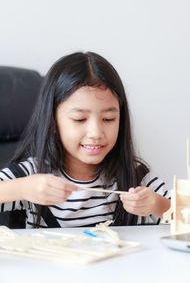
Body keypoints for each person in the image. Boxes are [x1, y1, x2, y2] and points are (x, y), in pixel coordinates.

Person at [0, 52, 170, 228]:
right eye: (80, 119)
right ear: (52, 122)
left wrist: (159, 205)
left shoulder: (136, 176)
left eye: (108, 119)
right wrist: (22, 189)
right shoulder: (33, 174)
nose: (95, 133)